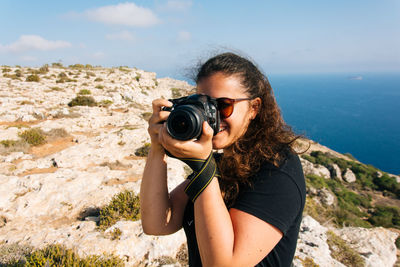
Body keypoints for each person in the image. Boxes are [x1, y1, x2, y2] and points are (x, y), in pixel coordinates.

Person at [140, 52, 306, 267]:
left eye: (224, 105)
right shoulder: (221, 164)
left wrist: (202, 166)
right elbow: (157, 223)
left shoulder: (278, 170)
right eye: (205, 106)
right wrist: (157, 148)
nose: (212, 117)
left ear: (254, 108)